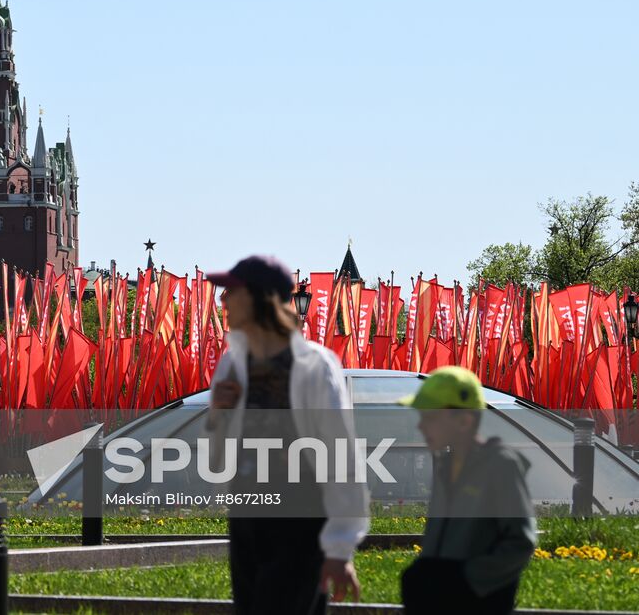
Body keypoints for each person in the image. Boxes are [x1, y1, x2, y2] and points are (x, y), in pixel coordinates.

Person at [205, 255, 369, 615]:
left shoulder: (314, 366)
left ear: (257, 298)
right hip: (247, 516)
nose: (222, 301)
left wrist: (340, 549)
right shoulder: (232, 363)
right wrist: (217, 416)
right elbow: (217, 462)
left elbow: (341, 456)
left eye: (231, 292)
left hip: (300, 521)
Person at [398, 367, 536, 615]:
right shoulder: (444, 466)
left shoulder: (501, 465)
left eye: (430, 418)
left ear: (464, 421)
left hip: (479, 603)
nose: (420, 426)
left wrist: (467, 580)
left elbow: (521, 542)